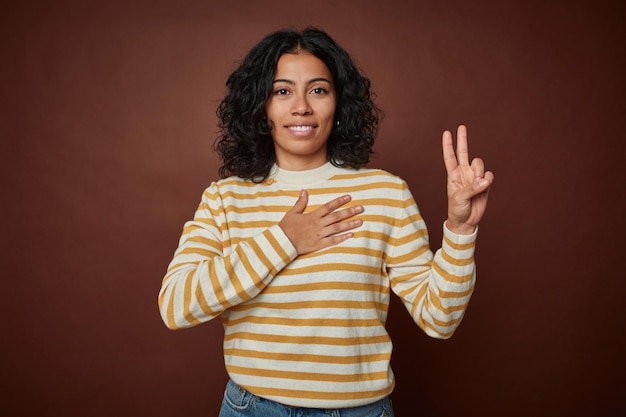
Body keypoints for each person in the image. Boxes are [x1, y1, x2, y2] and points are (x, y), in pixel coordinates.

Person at [158, 27, 494, 417]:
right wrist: (283, 241)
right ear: (260, 105)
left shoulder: (386, 193)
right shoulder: (225, 198)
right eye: (282, 91)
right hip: (252, 408)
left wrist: (460, 230)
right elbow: (176, 305)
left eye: (318, 90)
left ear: (340, 103)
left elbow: (440, 319)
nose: (301, 106)